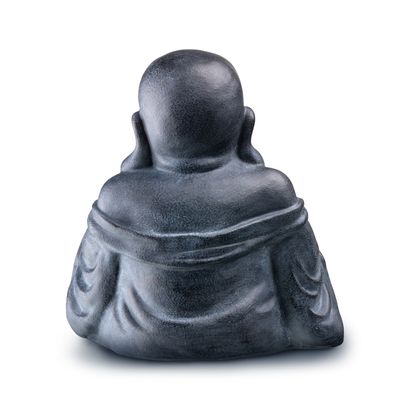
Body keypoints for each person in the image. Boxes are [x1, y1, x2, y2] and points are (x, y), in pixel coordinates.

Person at [67, 50, 344, 360]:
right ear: (246, 125)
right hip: (258, 340)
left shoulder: (118, 198)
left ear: (140, 129)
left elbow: (83, 316)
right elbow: (318, 324)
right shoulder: (272, 193)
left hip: (131, 342)